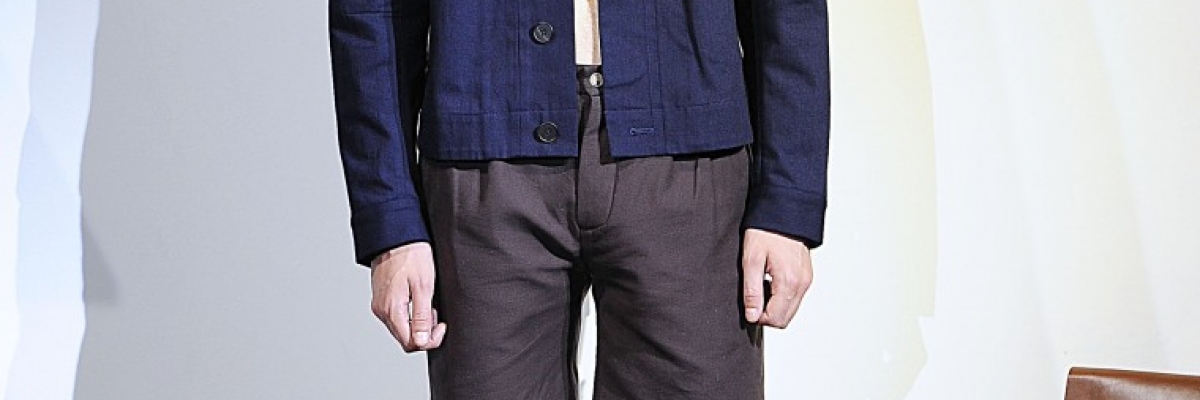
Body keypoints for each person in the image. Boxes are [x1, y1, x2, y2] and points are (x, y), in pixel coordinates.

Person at [328, 0, 829, 398]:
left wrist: (786, 200)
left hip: (688, 160)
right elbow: (372, 13)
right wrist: (390, 219)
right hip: (486, 165)